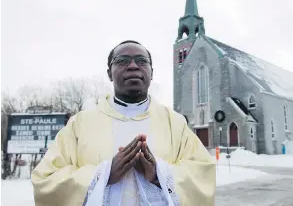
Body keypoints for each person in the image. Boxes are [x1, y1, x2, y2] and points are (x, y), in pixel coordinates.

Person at [31, 40, 216, 206]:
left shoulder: (175, 123)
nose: (133, 66)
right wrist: (103, 174)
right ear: (109, 73)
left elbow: (203, 175)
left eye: (142, 61)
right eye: (122, 60)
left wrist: (159, 174)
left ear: (152, 73)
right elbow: (46, 180)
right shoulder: (80, 123)